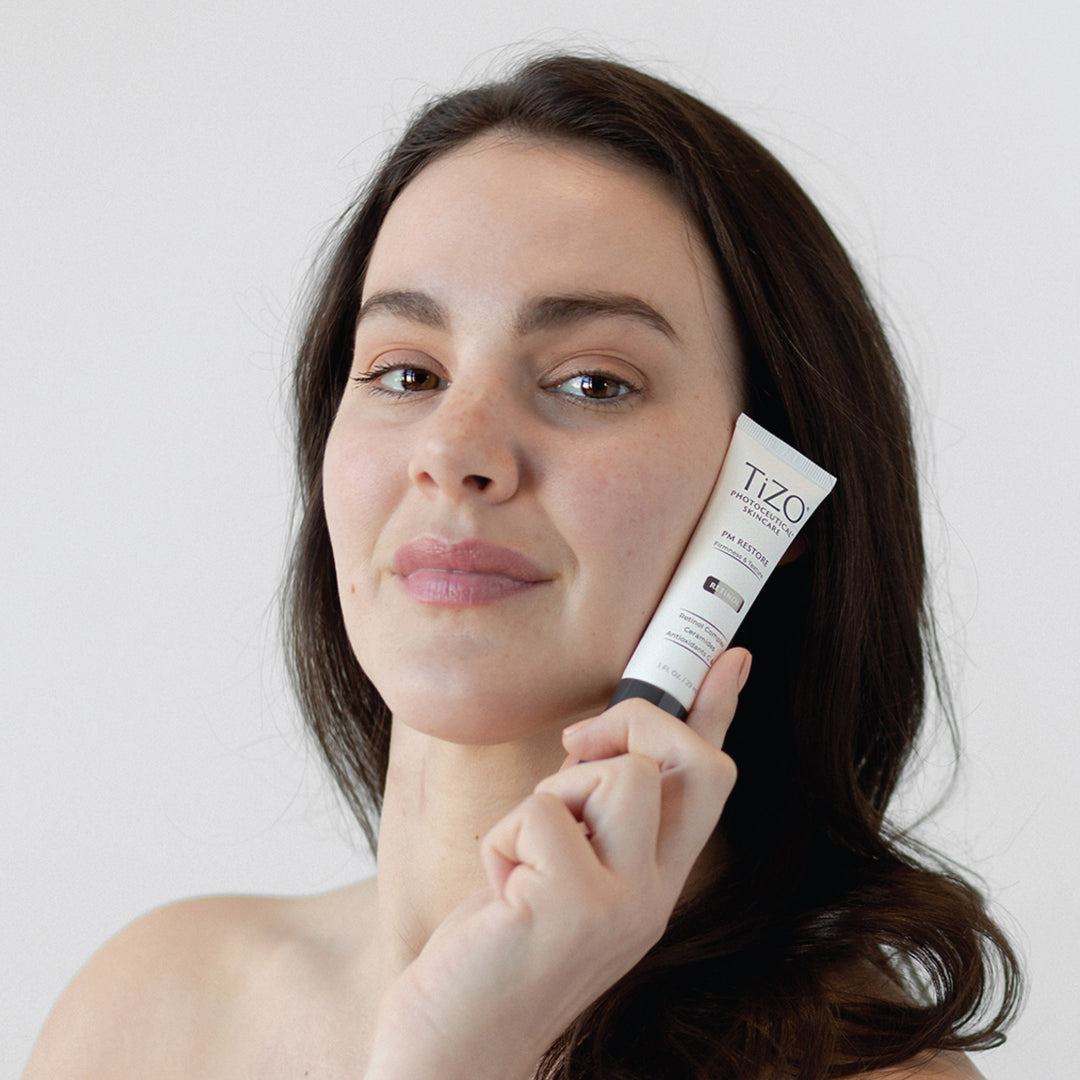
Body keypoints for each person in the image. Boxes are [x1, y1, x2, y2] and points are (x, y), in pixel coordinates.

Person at [24, 53, 1021, 1080]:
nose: (454, 450)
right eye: (405, 372)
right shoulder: (151, 1008)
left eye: (592, 382)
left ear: (770, 495)